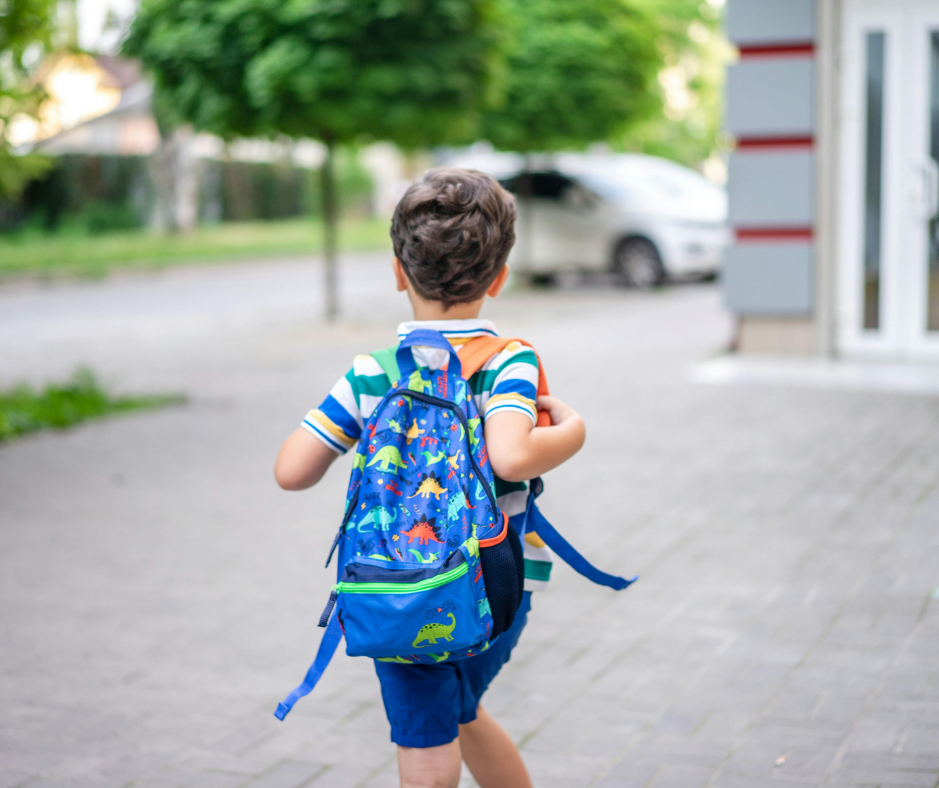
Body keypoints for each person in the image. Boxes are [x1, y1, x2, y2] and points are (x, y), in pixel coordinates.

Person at [273, 168, 586, 788]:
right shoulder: (509, 362)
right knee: (460, 710)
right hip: (497, 588)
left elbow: (290, 472)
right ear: (499, 278)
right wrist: (574, 430)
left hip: (394, 589)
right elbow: (512, 458)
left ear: (397, 272)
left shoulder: (372, 372)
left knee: (427, 747)